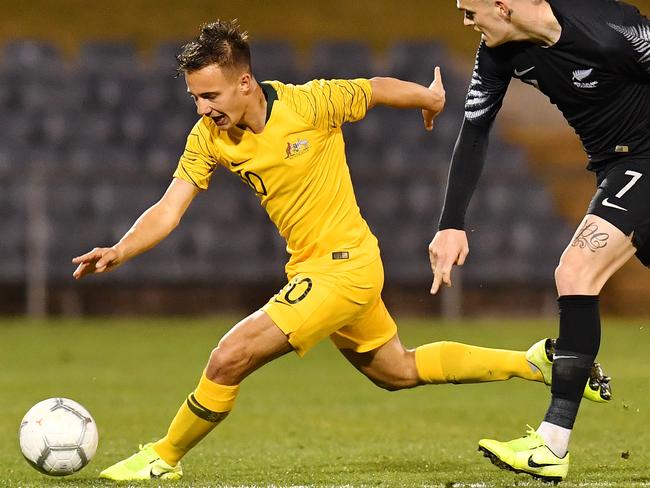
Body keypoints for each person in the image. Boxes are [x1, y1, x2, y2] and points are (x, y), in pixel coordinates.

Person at [73, 20, 608, 481]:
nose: (202, 108)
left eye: (210, 96)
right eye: (194, 97)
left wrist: (429, 98)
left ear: (243, 83)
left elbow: (373, 88)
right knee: (395, 371)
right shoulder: (208, 138)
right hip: (317, 268)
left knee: (229, 356)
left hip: (343, 270)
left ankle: (164, 458)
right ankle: (541, 362)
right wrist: (120, 250)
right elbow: (169, 208)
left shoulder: (310, 103)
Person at [429, 0, 648, 482]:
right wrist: (451, 222)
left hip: (644, 161)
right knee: (577, 275)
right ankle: (571, 373)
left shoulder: (608, 29)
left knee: (575, 271)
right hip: (617, 169)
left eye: (471, 12)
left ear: (503, 7)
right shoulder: (498, 53)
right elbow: (474, 130)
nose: (468, 23)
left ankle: (552, 444)